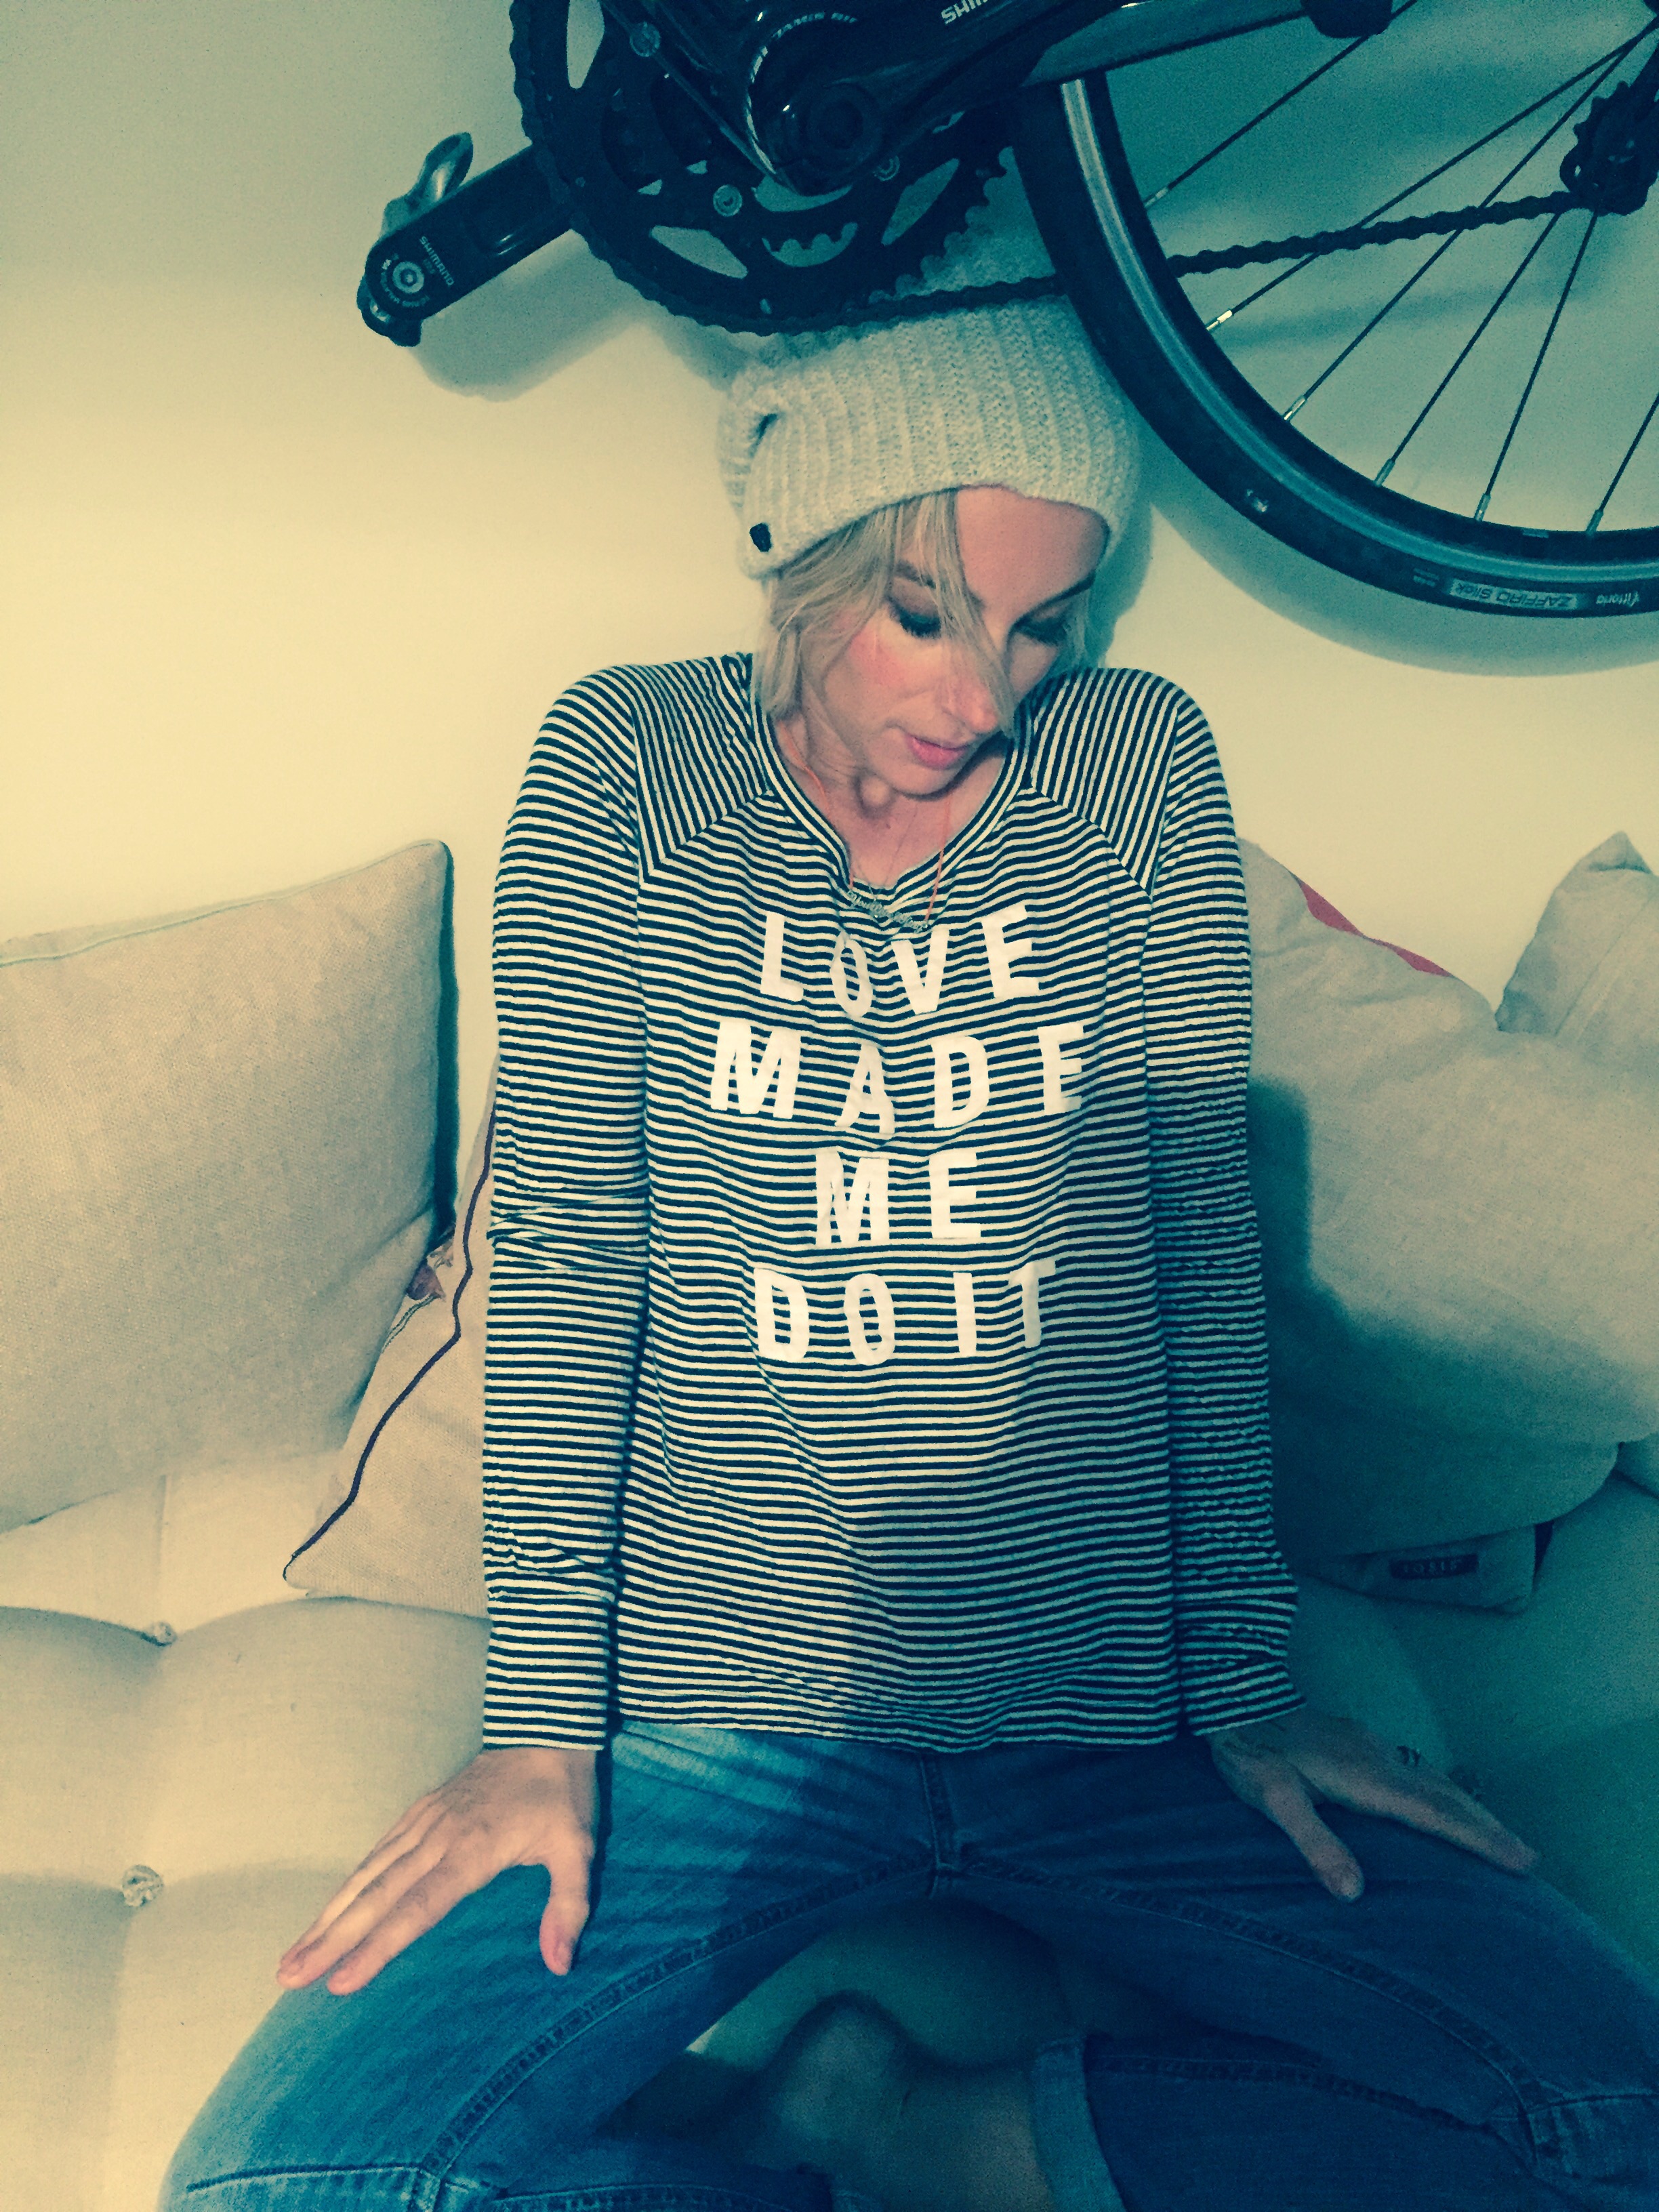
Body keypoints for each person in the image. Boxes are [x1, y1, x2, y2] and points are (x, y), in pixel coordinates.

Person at [161, 292, 1659, 2212]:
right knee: (281, 2185)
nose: (986, 694)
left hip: (1116, 1721)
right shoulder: (627, 763)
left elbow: (1198, 1253)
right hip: (721, 1718)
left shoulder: (1131, 769)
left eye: (1044, 625)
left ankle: (915, 2128)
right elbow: (568, 1266)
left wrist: (1249, 1684)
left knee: (1615, 2122)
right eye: (929, 613)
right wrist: (537, 1736)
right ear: (805, 556)